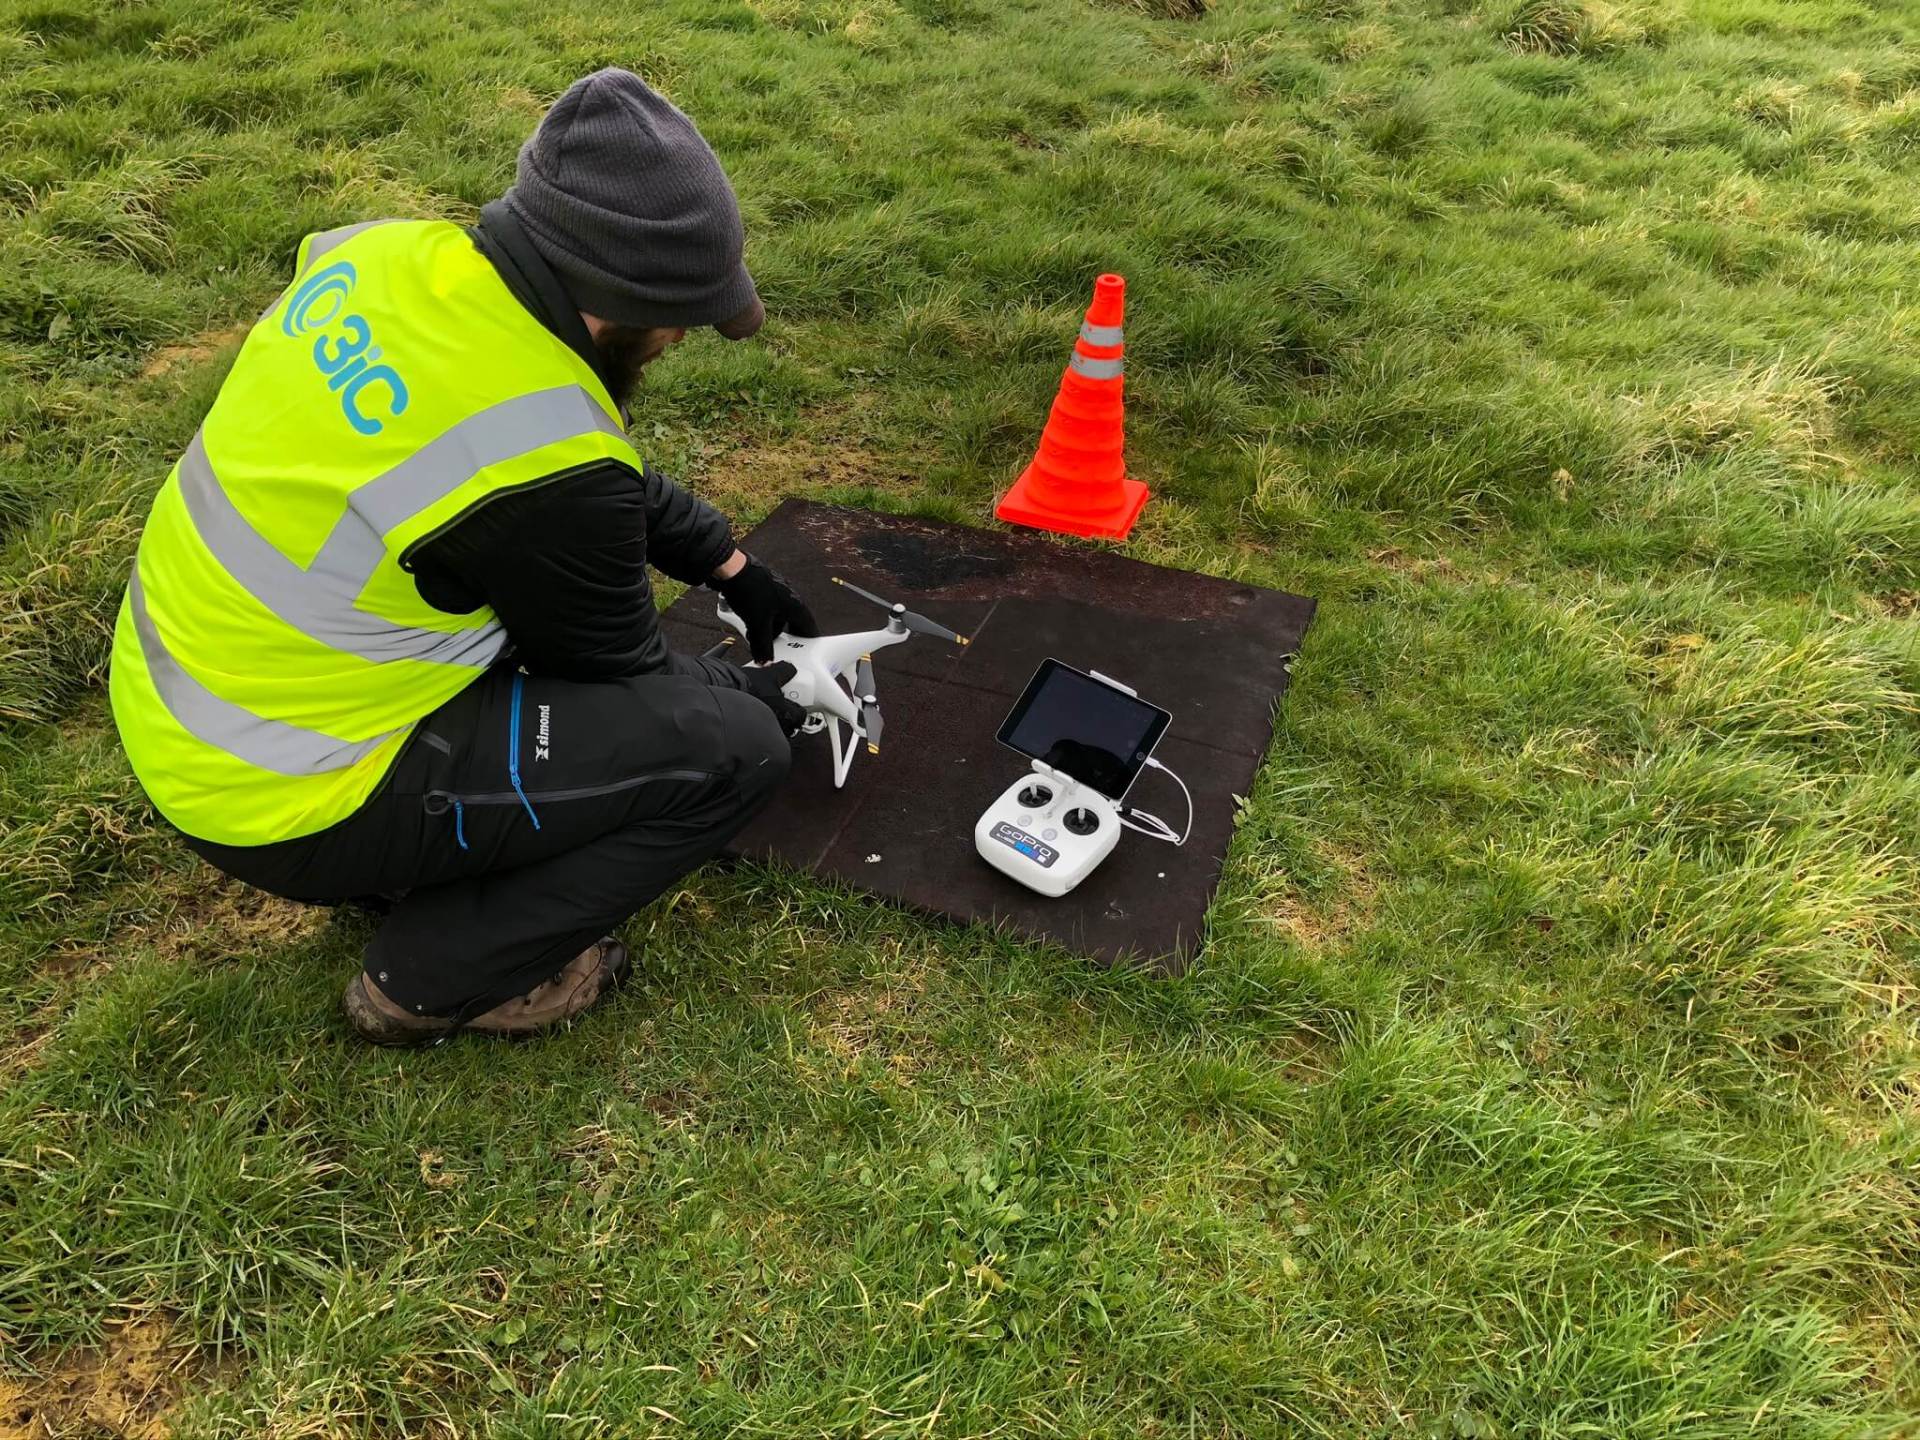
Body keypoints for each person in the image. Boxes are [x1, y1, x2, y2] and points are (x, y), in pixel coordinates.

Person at [108, 69, 820, 1046]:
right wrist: (763, 695)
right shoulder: (543, 471)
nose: (669, 346)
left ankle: (420, 851)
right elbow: (624, 679)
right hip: (289, 793)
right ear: (615, 307)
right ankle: (433, 979)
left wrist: (730, 569)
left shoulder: (387, 259)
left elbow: (544, 449)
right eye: (676, 326)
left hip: (181, 712)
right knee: (731, 753)